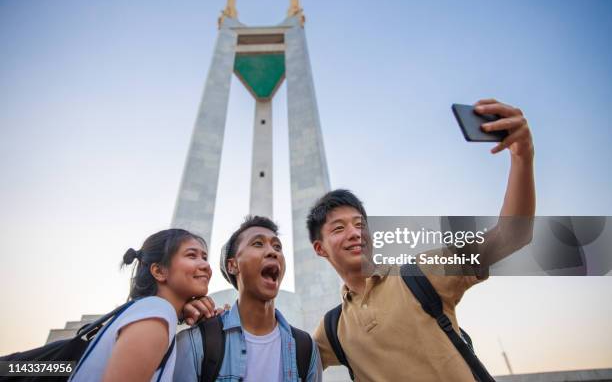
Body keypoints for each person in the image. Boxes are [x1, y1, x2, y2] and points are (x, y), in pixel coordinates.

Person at [308, 99, 536, 381]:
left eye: (360, 224)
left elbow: (512, 236)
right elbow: (277, 360)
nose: (354, 233)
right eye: (339, 228)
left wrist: (522, 158)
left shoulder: (422, 271)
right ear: (319, 248)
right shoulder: (331, 330)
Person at [175, 216, 322, 382]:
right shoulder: (196, 342)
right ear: (232, 265)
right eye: (258, 243)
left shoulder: (306, 348)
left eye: (277, 247)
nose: (273, 252)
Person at [70, 228, 212, 382]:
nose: (205, 265)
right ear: (158, 271)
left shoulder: (149, 311)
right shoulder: (156, 311)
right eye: (191, 255)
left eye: (204, 257)